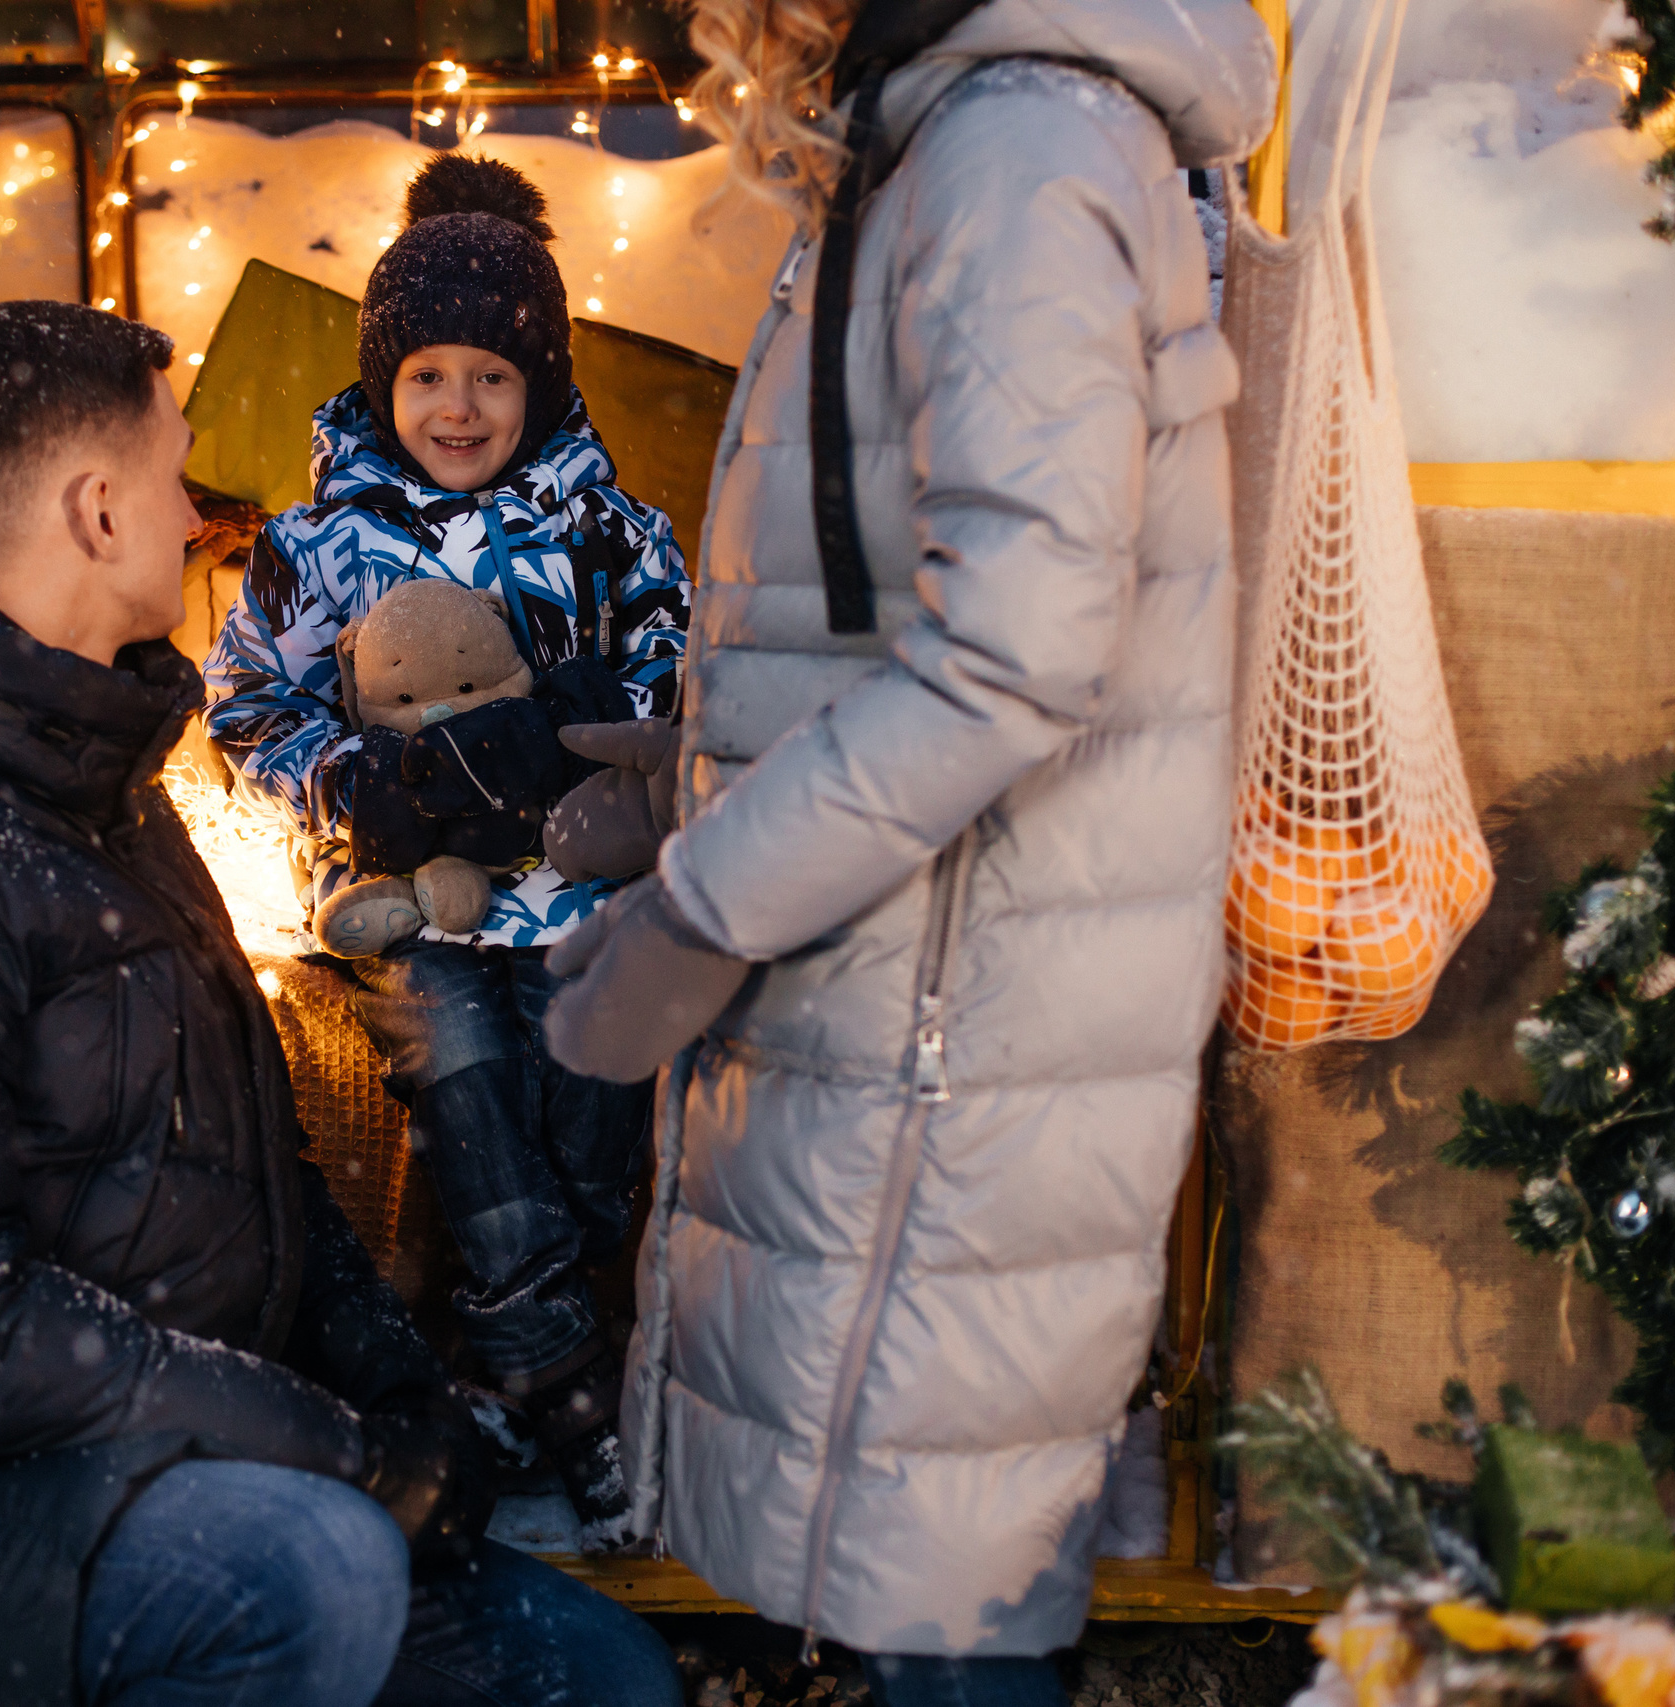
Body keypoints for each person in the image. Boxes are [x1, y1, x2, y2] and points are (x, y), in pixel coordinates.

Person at [0, 299, 679, 1707]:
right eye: (177, 474)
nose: (199, 513)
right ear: (99, 512)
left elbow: (259, 1175)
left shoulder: (109, 797)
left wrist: (407, 1408)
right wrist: (328, 1450)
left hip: (194, 1464)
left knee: (598, 1679)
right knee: (314, 1566)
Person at [544, 0, 1280, 1700]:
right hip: (925, 987)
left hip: (960, 1022)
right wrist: (704, 777)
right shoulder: (954, 142)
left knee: (940, 1591)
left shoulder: (1015, 157)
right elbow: (909, 598)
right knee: (911, 1572)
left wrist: (705, 904)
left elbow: (1019, 649)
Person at [203, 154, 689, 1538]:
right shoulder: (320, 543)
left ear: (537, 384)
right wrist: (355, 780)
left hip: (572, 883)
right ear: (382, 384)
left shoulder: (609, 529)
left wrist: (574, 726)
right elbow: (245, 702)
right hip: (406, 895)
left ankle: (514, 1366)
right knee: (466, 1083)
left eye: (489, 375)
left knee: (589, 1129)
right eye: (426, 375)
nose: (457, 406)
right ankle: (567, 1387)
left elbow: (678, 660)